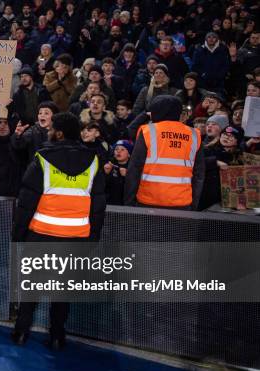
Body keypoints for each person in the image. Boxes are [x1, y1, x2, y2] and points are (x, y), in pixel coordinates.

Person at [11, 112, 106, 350]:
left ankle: (22, 332)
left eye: (53, 127)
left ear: (60, 132)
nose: (50, 130)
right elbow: (98, 205)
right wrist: (92, 238)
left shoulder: (43, 158)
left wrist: (18, 233)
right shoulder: (94, 161)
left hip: (41, 233)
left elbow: (26, 201)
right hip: (76, 237)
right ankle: (56, 336)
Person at [124, 95, 205, 210]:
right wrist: (194, 205)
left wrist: (129, 203)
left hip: (148, 201)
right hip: (182, 203)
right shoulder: (194, 134)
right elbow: (199, 174)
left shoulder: (148, 131)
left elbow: (134, 169)